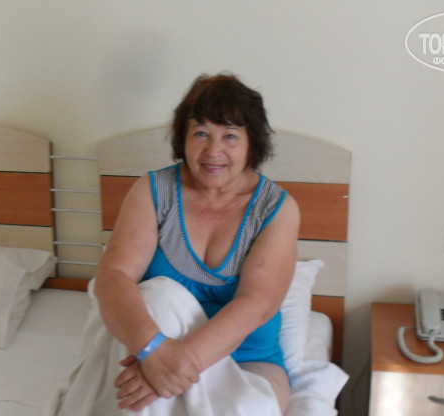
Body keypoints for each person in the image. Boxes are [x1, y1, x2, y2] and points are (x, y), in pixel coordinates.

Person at [93, 73, 300, 414]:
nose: (213, 151)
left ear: (252, 142)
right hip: (150, 349)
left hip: (247, 362)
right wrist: (153, 351)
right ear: (183, 137)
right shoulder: (153, 191)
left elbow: (257, 303)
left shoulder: (276, 209)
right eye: (201, 133)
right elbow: (113, 276)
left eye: (230, 136)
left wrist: (169, 367)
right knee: (157, 296)